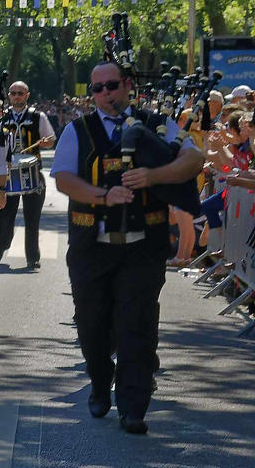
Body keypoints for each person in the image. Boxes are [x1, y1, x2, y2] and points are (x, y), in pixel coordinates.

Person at [51, 60, 203, 434]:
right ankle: (101, 384)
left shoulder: (156, 124)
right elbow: (65, 180)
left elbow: (194, 159)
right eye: (97, 88)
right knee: (92, 323)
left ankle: (134, 406)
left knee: (137, 324)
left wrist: (154, 176)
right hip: (92, 246)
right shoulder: (77, 130)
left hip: (143, 246)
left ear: (127, 85)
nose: (105, 94)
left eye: (111, 85)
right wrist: (103, 196)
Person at [0, 81, 55, 276]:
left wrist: (44, 143)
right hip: (7, 174)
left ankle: (32, 256)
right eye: (13, 93)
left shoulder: (38, 116)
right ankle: (0, 250)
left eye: (20, 93)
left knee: (32, 217)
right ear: (9, 96)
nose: (16, 96)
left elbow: (51, 139)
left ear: (27, 95)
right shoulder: (1, 118)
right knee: (5, 217)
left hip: (32, 171)